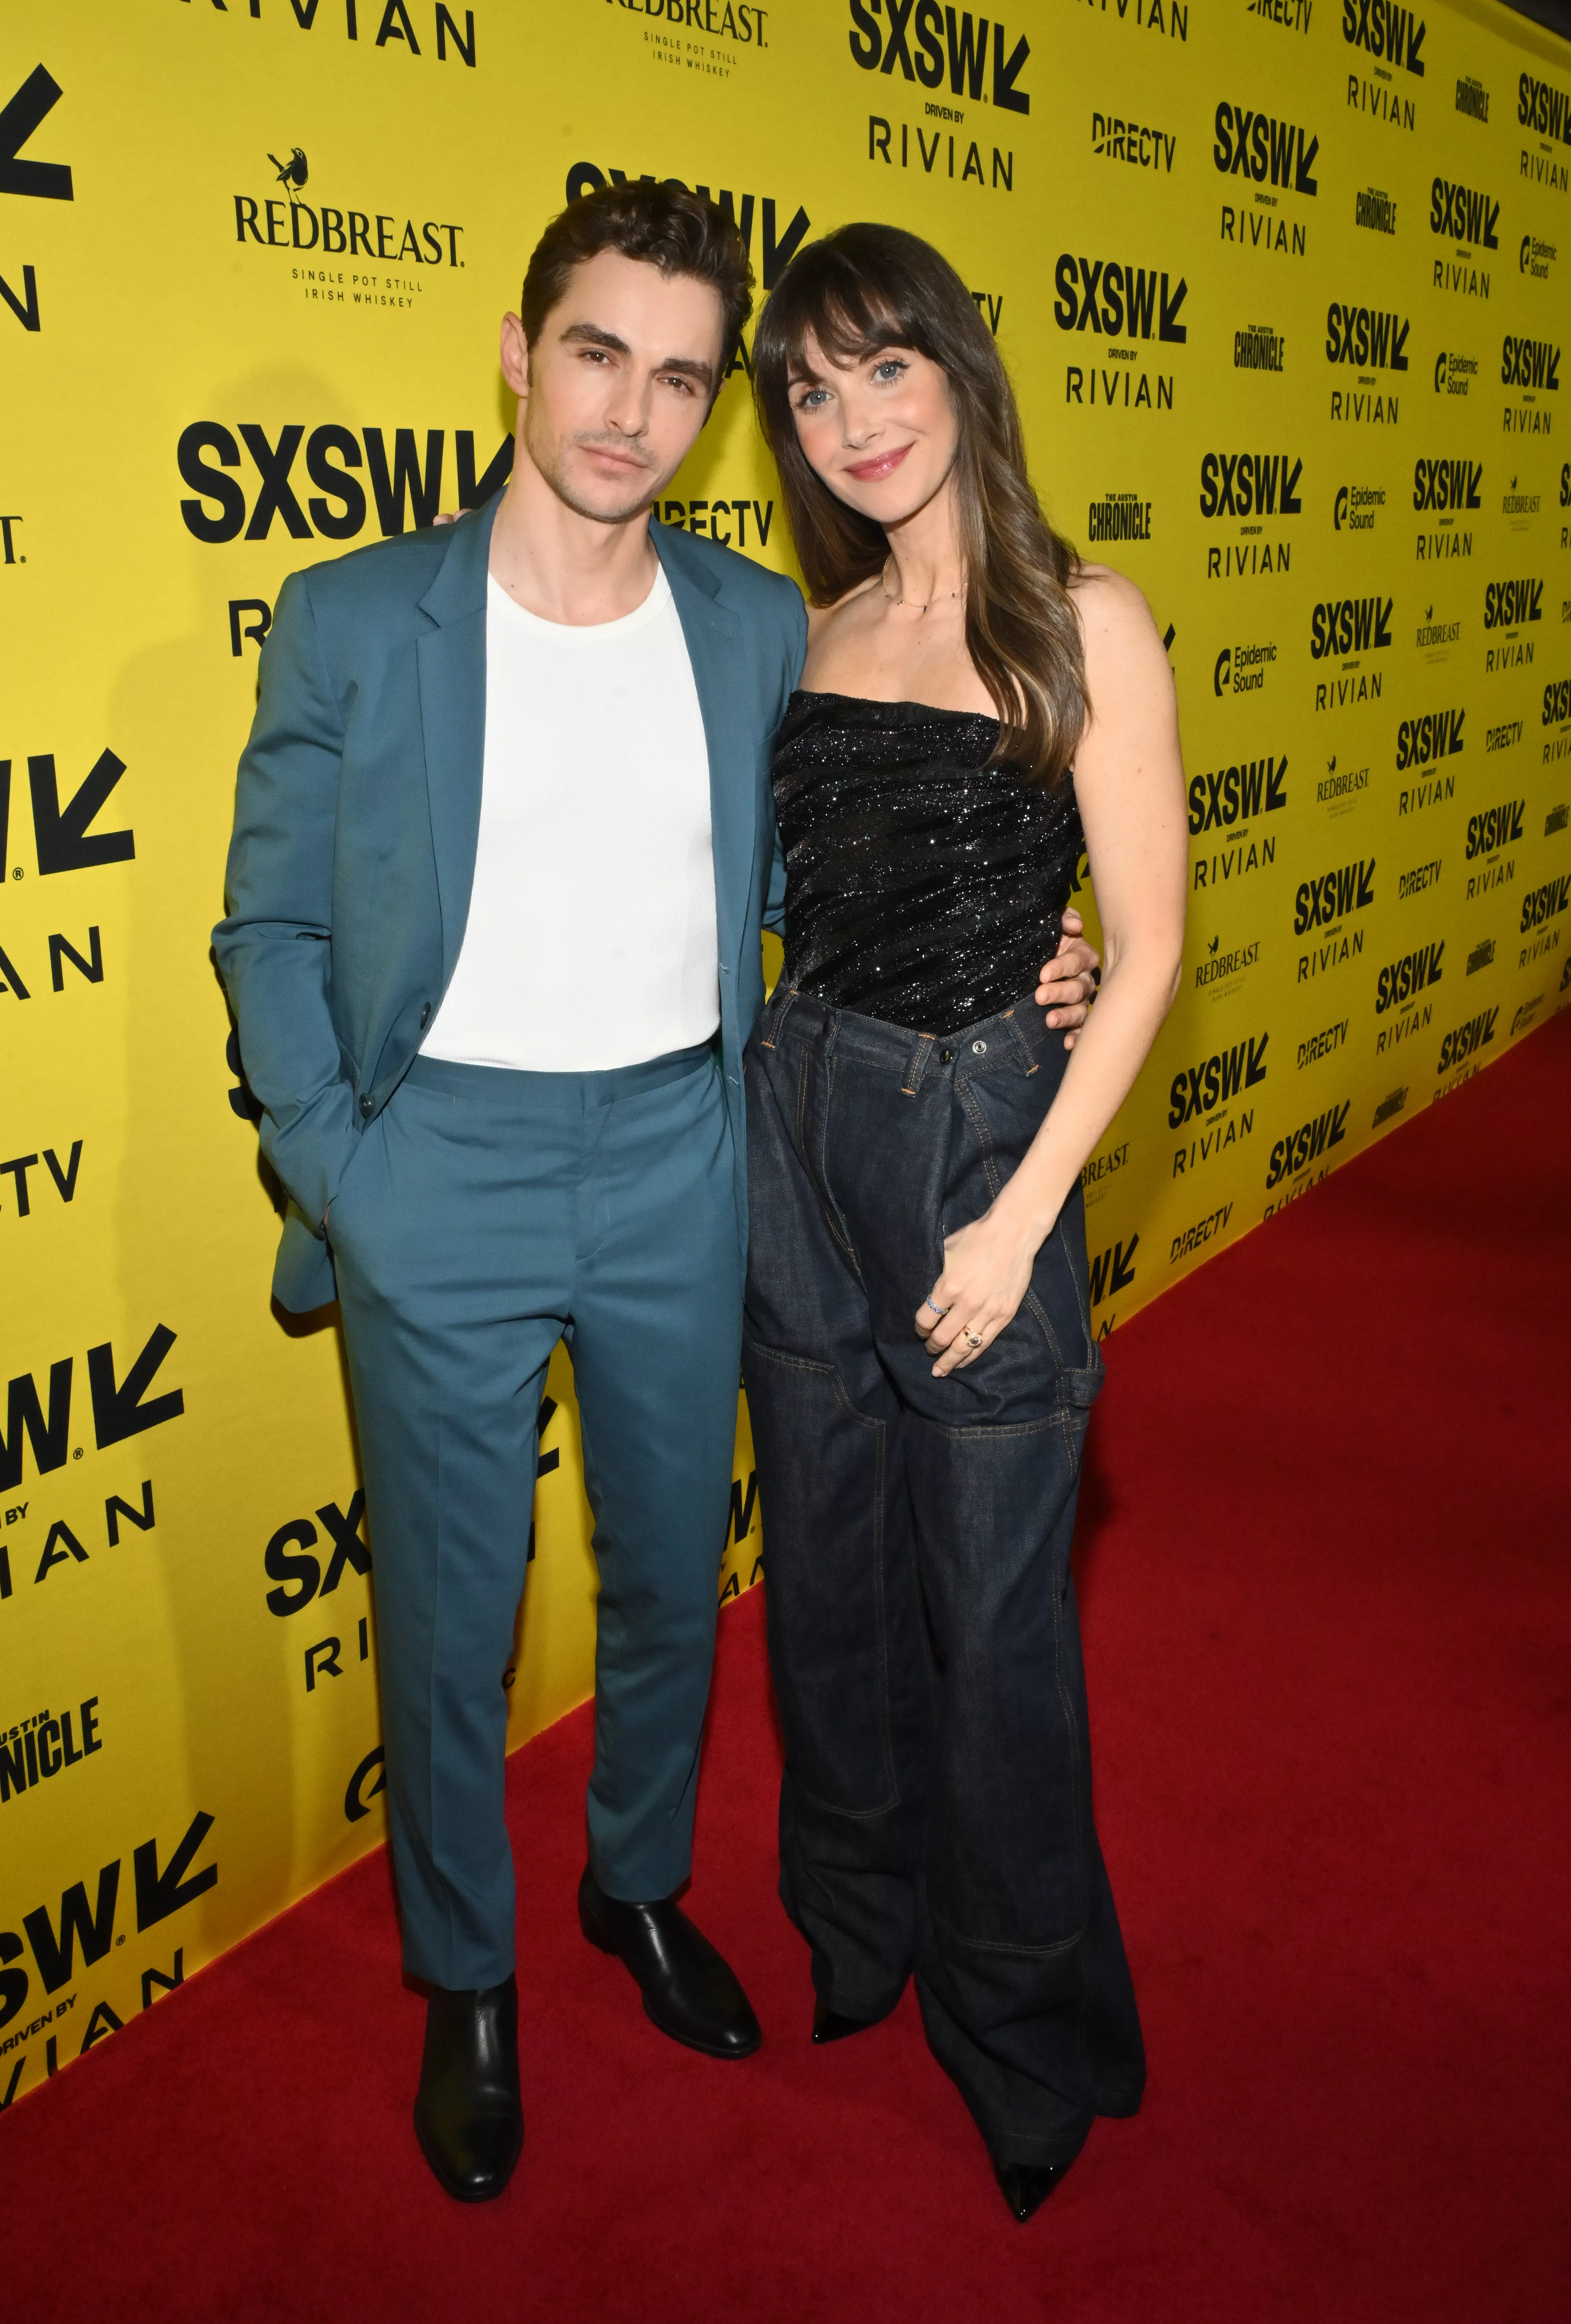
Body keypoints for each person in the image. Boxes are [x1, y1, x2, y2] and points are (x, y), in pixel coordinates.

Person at [216, 180, 1100, 2204]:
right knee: (448, 1617)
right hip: (431, 1158)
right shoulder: (360, 614)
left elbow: (825, 878)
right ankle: (467, 1974)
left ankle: (633, 1889)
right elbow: (265, 919)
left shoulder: (744, 625)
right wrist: (343, 1171)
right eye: (597, 352)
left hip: (684, 1159)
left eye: (681, 377)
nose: (630, 410)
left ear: (714, 413)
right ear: (523, 352)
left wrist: (1025, 939)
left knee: (665, 1586)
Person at [742, 223, 1186, 2224]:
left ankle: (1022, 2035)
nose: (852, 426)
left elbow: (1154, 947)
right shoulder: (808, 635)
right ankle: (852, 1922)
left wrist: (1018, 1218)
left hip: (973, 1141)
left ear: (959, 371)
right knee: (825, 1574)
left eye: (882, 373)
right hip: (793, 1122)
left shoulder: (1082, 616)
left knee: (995, 1622)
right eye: (812, 398)